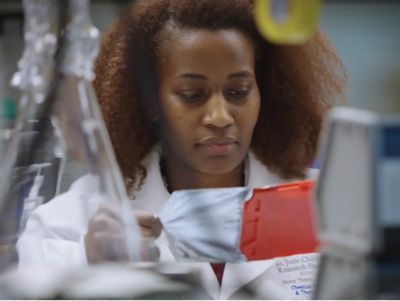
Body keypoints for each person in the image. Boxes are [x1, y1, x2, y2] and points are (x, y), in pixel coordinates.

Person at [17, 0, 346, 299]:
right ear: (150, 102)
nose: (219, 117)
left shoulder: (330, 206)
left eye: (238, 91)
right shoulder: (75, 218)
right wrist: (86, 259)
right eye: (192, 94)